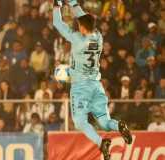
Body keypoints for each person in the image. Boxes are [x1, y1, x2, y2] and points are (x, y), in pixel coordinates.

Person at [53, 1, 132, 159]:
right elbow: (84, 18)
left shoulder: (77, 39)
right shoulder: (98, 37)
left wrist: (57, 5)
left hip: (80, 87)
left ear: (81, 27)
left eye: (78, 25)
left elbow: (57, 22)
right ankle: (118, 125)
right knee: (104, 122)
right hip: (96, 85)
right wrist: (74, 3)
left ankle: (101, 142)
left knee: (80, 122)